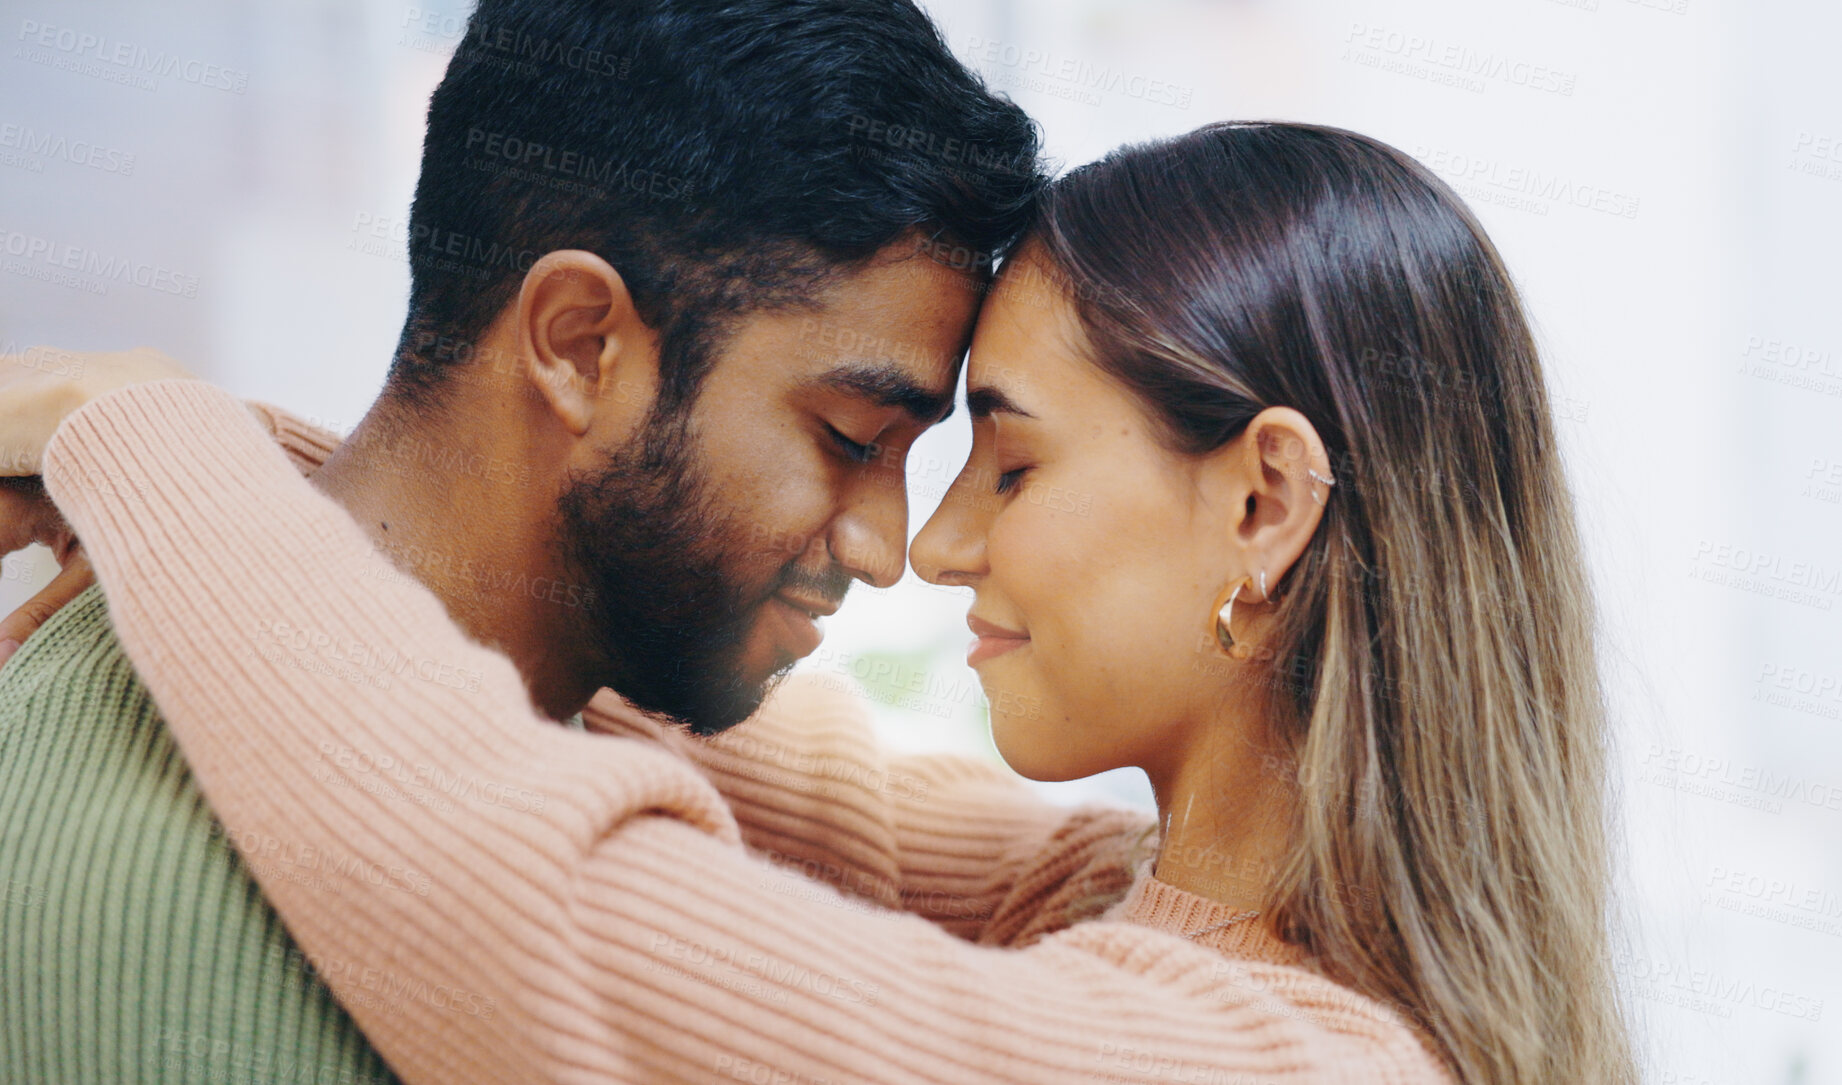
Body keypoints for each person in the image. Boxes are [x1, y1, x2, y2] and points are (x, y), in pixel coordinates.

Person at [6, 123, 1639, 1083]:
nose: (931, 549)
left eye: (1005, 465)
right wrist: (262, 465)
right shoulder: (1112, 905)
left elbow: (524, 907)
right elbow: (674, 699)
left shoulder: (1245, 1066)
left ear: (1264, 505)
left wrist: (142, 443)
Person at [0, 0, 1064, 1079]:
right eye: (849, 437)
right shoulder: (182, 909)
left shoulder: (582, 695)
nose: (890, 546)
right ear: (579, 342)